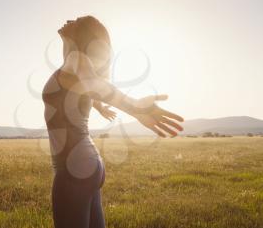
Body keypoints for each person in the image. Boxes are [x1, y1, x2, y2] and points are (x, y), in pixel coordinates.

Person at [42, 15, 184, 228]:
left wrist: (135, 107)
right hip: (88, 164)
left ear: (82, 32)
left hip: (73, 167)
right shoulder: (74, 64)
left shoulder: (77, 58)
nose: (69, 20)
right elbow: (85, 88)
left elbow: (91, 84)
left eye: (76, 20)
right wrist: (99, 106)